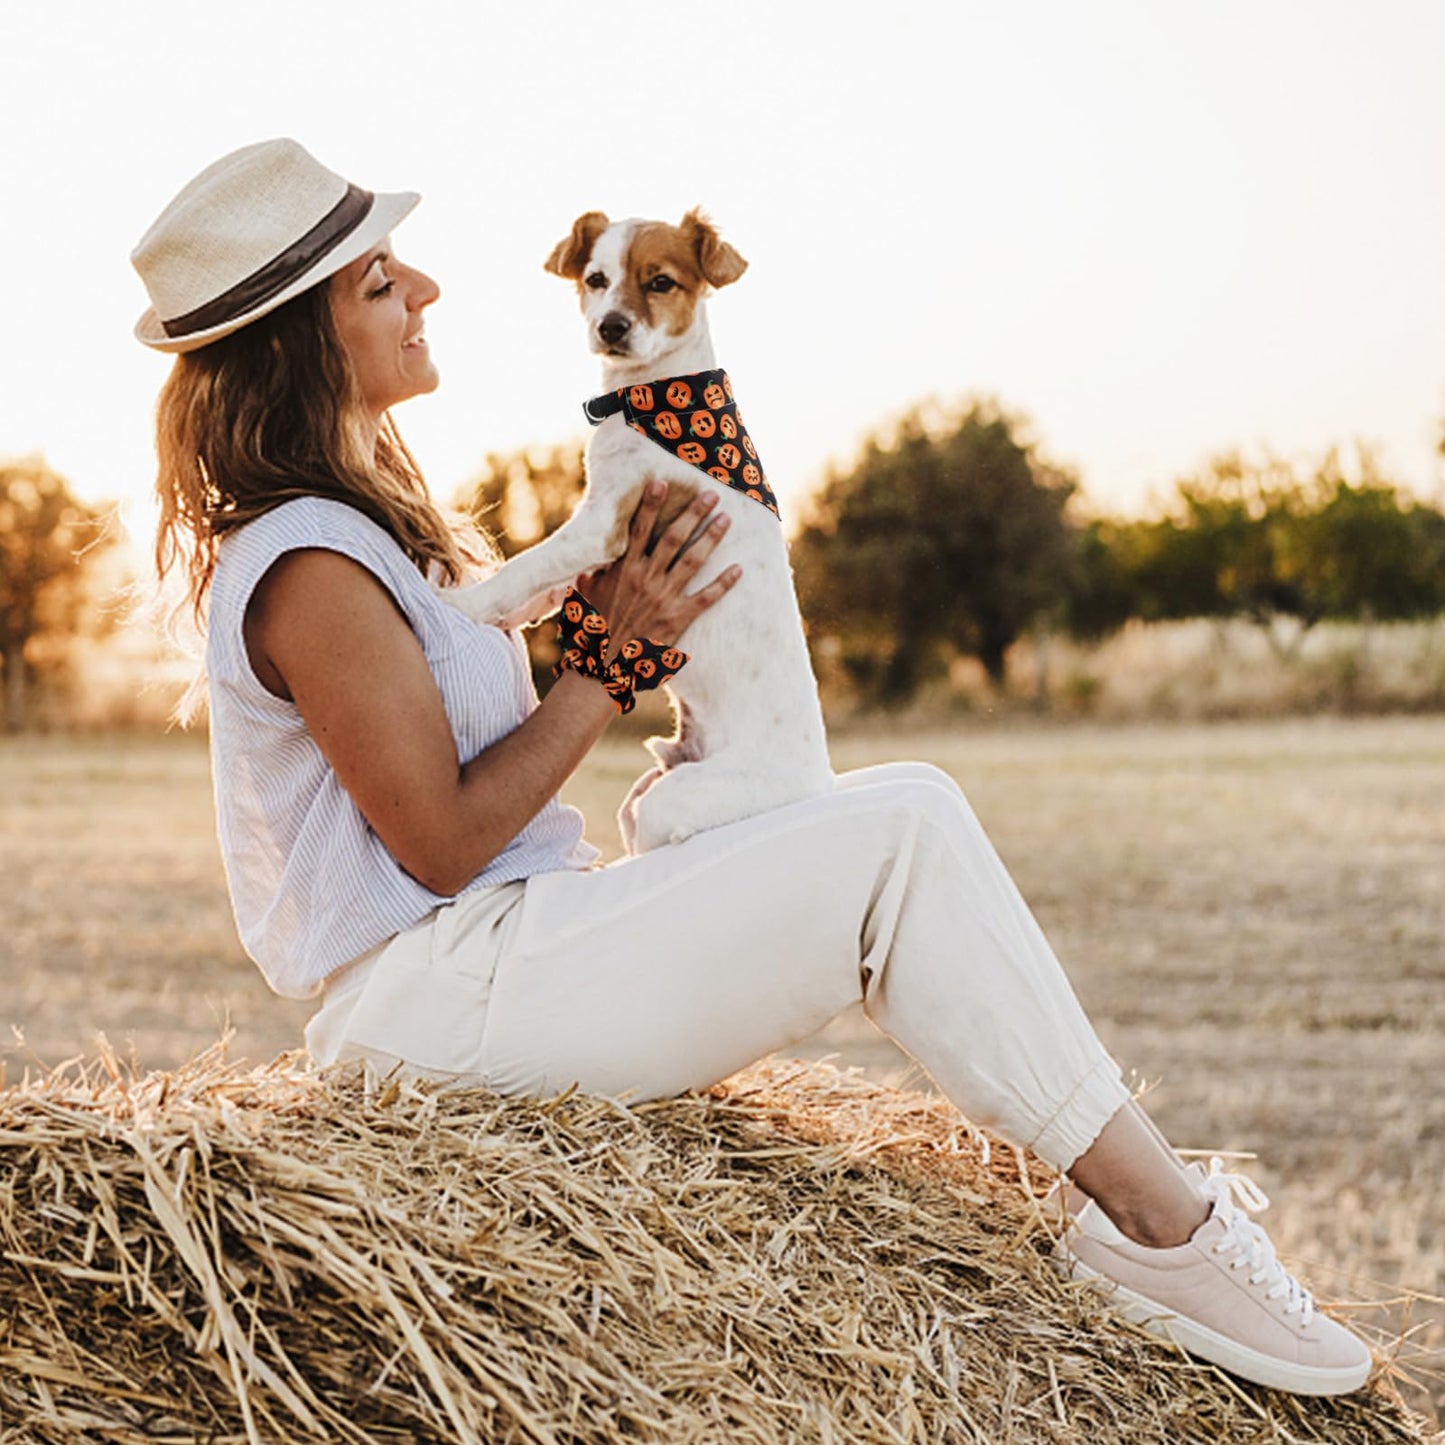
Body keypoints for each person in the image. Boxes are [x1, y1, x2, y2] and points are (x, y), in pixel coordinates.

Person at [132, 138, 1372, 1398]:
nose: (428, 292)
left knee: (905, 807)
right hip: (437, 1001)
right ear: (299, 335)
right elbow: (439, 843)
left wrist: (616, 651)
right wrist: (609, 669)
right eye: (383, 280)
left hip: (498, 957)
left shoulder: (361, 530)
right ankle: (1167, 1230)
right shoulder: (307, 564)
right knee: (903, 832)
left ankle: (1141, 1213)